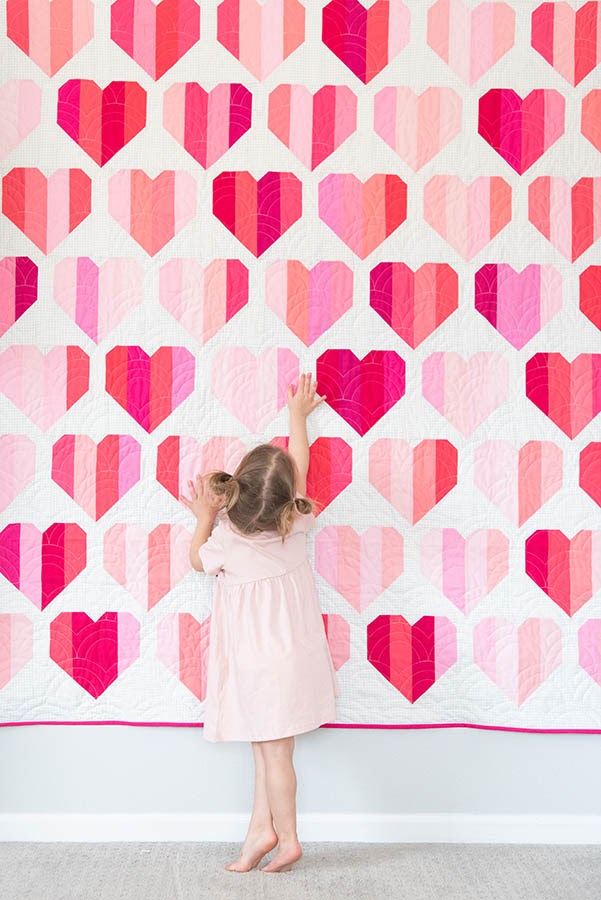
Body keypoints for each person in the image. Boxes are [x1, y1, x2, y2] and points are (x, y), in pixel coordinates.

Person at [180, 373, 339, 874]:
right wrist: (297, 416)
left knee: (274, 756)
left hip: (259, 665)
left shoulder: (227, 540)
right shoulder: (297, 524)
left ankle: (287, 836)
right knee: (267, 748)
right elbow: (301, 468)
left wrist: (204, 514)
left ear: (237, 494)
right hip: (294, 658)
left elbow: (196, 561)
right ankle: (260, 830)